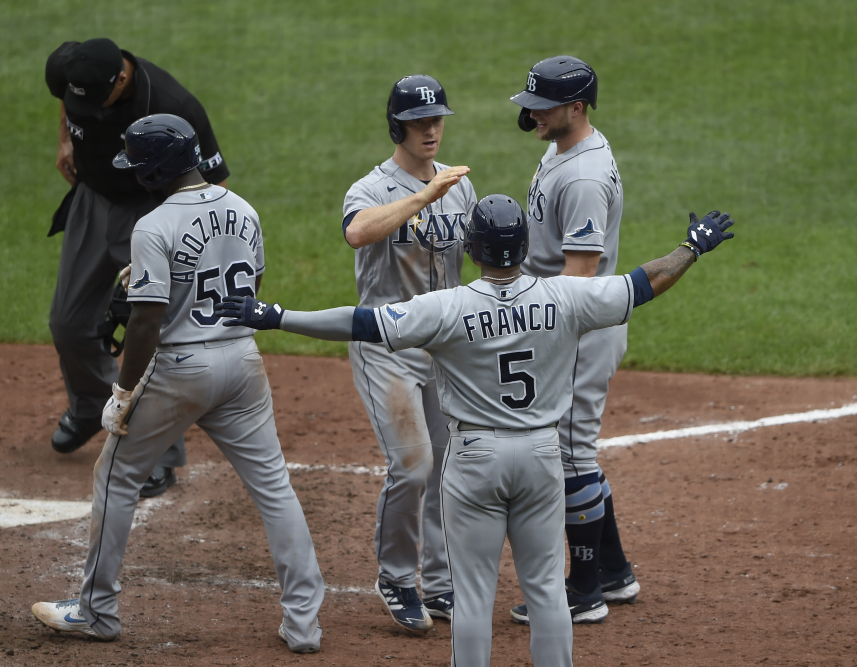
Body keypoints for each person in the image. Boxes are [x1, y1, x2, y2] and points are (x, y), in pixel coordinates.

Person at [214, 195, 735, 666]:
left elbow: (360, 323)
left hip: (474, 461)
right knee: (548, 590)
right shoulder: (567, 298)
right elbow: (645, 284)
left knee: (473, 594)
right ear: (526, 246)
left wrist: (276, 315)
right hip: (540, 456)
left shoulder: (446, 308)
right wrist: (692, 247)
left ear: (471, 248)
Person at [30, 115, 324, 654]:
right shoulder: (244, 209)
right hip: (242, 362)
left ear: (155, 170)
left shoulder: (153, 226)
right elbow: (250, 285)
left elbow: (145, 322)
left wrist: (121, 395)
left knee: (116, 479)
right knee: (274, 487)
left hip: (180, 370)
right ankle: (305, 625)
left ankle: (96, 611)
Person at [45, 37, 230, 496]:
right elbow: (69, 105)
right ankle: (90, 406)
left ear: (122, 79)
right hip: (92, 200)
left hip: (151, 212)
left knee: (151, 333)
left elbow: (213, 181)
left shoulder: (170, 103)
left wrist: (184, 249)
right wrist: (65, 140)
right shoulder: (78, 72)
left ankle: (159, 454)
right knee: (68, 324)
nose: (79, 104)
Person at [340, 74, 477, 630]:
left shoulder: (460, 184)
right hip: (387, 347)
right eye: (420, 121)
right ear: (397, 125)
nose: (431, 129)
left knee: (450, 467)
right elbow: (357, 233)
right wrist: (423, 196)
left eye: (437, 119)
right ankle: (398, 576)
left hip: (443, 349)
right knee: (414, 465)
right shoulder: (369, 188)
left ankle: (443, 585)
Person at [506, 55, 638, 624]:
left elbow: (578, 276)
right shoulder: (563, 147)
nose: (532, 113)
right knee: (573, 449)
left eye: (543, 105)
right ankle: (614, 572)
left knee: (568, 453)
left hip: (577, 326)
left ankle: (583, 592)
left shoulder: (583, 177)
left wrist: (530, 318)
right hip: (573, 321)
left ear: (576, 109)